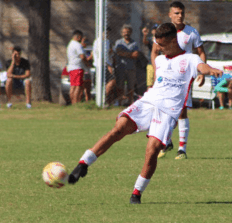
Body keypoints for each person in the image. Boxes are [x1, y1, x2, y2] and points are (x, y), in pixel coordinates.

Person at [67, 23, 223, 204]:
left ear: (174, 41)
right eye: (157, 44)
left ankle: (136, 193)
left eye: (162, 45)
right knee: (118, 128)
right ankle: (84, 163)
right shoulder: (160, 60)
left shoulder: (190, 59)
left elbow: (202, 67)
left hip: (168, 111)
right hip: (148, 102)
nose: (160, 49)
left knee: (152, 151)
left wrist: (211, 70)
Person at [153, 1, 207, 160]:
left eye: (181, 13)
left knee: (182, 111)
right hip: (166, 78)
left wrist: (201, 71)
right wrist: (157, 72)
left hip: (184, 78)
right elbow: (155, 52)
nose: (179, 16)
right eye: (176, 13)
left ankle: (182, 149)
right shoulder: (162, 32)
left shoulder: (191, 32)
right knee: (164, 110)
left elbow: (201, 52)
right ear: (170, 14)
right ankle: (167, 142)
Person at [113, 24, 140, 105]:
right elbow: (118, 52)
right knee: (120, 87)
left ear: (130, 32)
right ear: (121, 33)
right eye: (124, 32)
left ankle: (130, 103)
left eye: (128, 32)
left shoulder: (134, 43)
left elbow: (136, 55)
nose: (126, 33)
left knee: (131, 87)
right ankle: (120, 103)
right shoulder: (118, 42)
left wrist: (124, 53)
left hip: (131, 68)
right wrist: (130, 54)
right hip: (120, 68)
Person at [93, 30, 117, 105]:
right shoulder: (99, 42)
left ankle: (105, 99)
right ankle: (103, 98)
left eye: (108, 33)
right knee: (112, 80)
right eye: (105, 33)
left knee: (110, 82)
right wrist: (108, 65)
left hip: (106, 65)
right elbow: (101, 56)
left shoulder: (107, 41)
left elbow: (108, 54)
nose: (107, 34)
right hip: (101, 66)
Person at [66, 30, 89, 104]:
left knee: (73, 86)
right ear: (79, 37)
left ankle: (72, 102)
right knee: (78, 86)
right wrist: (87, 63)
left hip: (71, 67)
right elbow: (82, 56)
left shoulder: (70, 44)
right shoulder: (77, 45)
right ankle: (75, 103)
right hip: (77, 67)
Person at [142, 24, 158, 89]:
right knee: (150, 83)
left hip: (159, 64)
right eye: (154, 29)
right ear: (152, 31)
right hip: (151, 63)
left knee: (157, 82)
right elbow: (145, 42)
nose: (156, 31)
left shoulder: (162, 40)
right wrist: (145, 35)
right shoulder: (150, 39)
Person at [80, 36, 93, 102]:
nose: (86, 43)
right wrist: (91, 56)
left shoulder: (87, 50)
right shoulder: (80, 49)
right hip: (83, 71)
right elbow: (85, 60)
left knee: (88, 89)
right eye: (84, 41)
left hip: (87, 71)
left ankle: (88, 101)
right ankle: (80, 102)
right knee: (81, 89)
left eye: (86, 41)